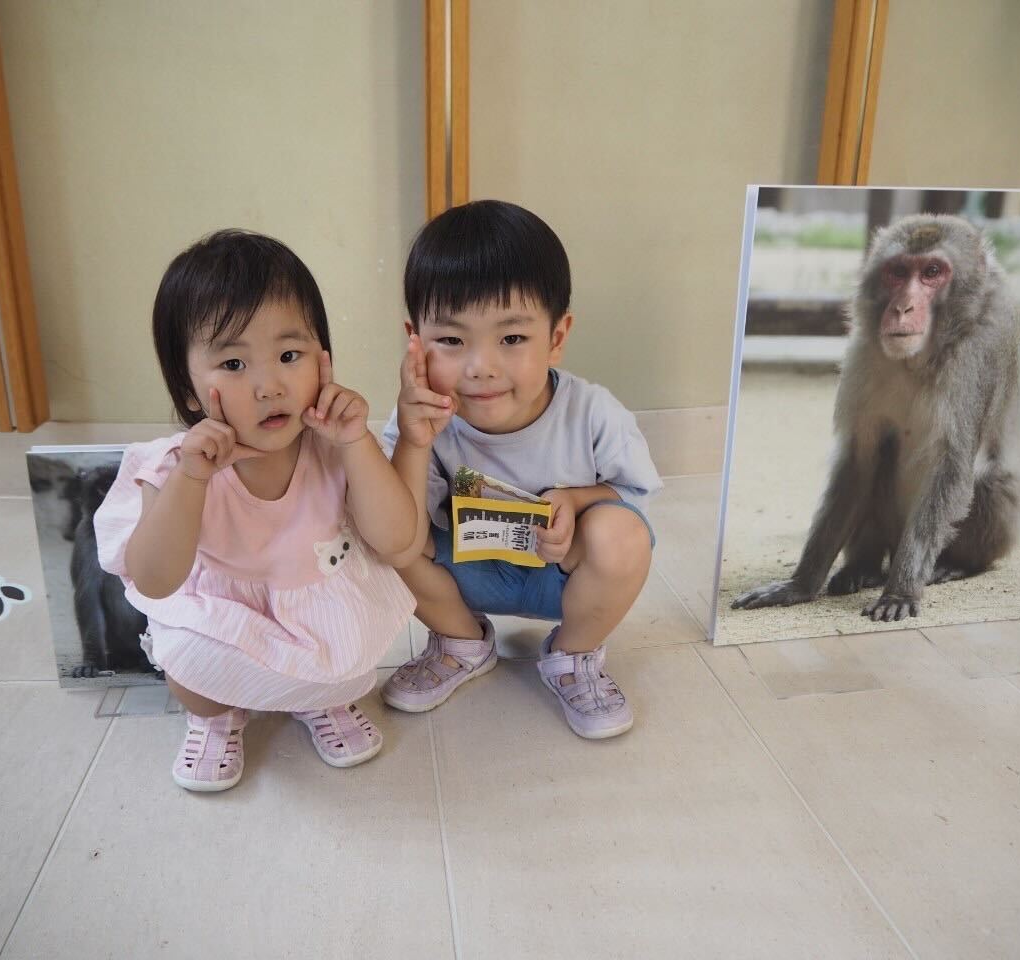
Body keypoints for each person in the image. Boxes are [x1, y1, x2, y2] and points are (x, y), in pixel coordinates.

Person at [95, 229, 421, 791]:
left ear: (323, 362)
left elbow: (399, 544)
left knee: (349, 669)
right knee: (188, 664)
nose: (269, 385)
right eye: (233, 364)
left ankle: (315, 703)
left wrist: (357, 441)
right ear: (190, 389)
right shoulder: (178, 466)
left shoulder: (335, 447)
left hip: (316, 608)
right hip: (227, 613)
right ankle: (217, 717)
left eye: (289, 356)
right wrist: (193, 479)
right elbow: (153, 580)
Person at [380, 200, 662, 739]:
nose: (480, 367)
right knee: (378, 524)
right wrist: (415, 442)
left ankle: (573, 656)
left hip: (562, 577)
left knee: (623, 537)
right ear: (415, 341)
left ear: (556, 338)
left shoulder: (593, 413)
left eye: (511, 339)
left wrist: (578, 501)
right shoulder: (421, 418)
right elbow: (399, 538)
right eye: (451, 340)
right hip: (465, 574)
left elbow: (634, 498)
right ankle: (461, 641)